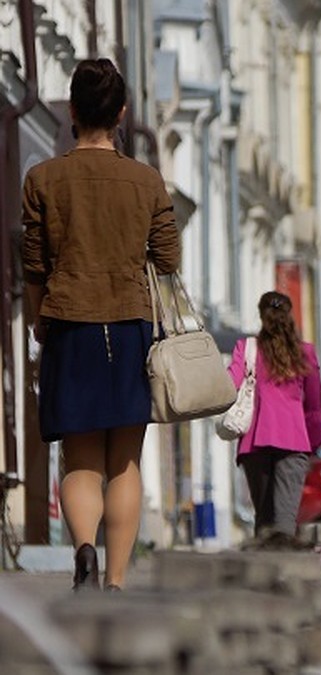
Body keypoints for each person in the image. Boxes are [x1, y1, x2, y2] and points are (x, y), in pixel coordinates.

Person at [21, 58, 181, 591]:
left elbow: (34, 264)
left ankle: (84, 550)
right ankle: (114, 580)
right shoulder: (146, 180)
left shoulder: (43, 178)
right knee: (125, 461)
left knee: (80, 457)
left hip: (68, 322)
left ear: (72, 112)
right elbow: (168, 258)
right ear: (122, 114)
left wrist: (39, 323)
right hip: (130, 323)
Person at [229, 291, 321, 545]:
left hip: (254, 443)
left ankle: (262, 578)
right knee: (284, 522)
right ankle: (283, 575)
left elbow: (229, 385)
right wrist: (313, 444)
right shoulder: (305, 353)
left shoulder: (246, 349)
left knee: (264, 520)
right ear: (289, 315)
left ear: (261, 316)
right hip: (294, 442)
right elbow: (314, 406)